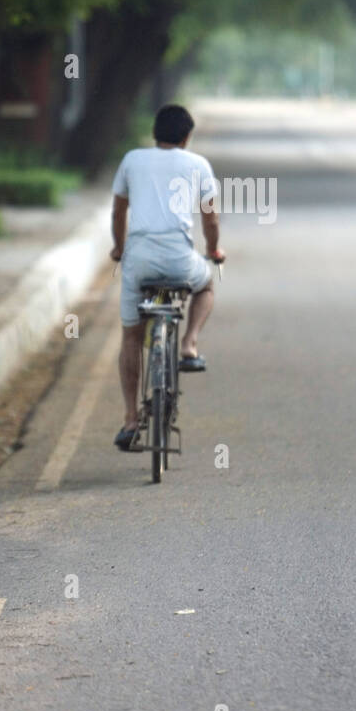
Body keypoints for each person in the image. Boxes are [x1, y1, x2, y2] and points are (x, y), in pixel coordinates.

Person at [110, 104, 225, 451]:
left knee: (131, 337)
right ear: (187, 137)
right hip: (180, 259)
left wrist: (118, 248)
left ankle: (131, 420)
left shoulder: (132, 160)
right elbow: (211, 221)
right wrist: (214, 251)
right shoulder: (198, 165)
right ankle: (189, 344)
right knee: (205, 283)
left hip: (138, 260)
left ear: (154, 133)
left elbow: (118, 211)